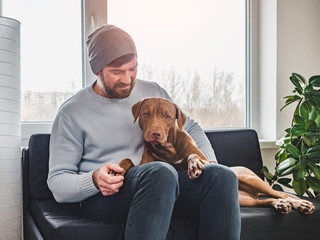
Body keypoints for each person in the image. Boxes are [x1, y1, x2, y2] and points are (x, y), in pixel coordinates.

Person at [47, 24, 241, 240]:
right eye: (117, 72)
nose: (128, 79)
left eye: (133, 69)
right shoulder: (72, 112)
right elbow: (57, 183)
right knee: (161, 172)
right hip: (107, 195)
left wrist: (208, 162)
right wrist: (93, 180)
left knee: (222, 176)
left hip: (162, 186)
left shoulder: (152, 91)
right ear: (97, 70)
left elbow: (191, 128)